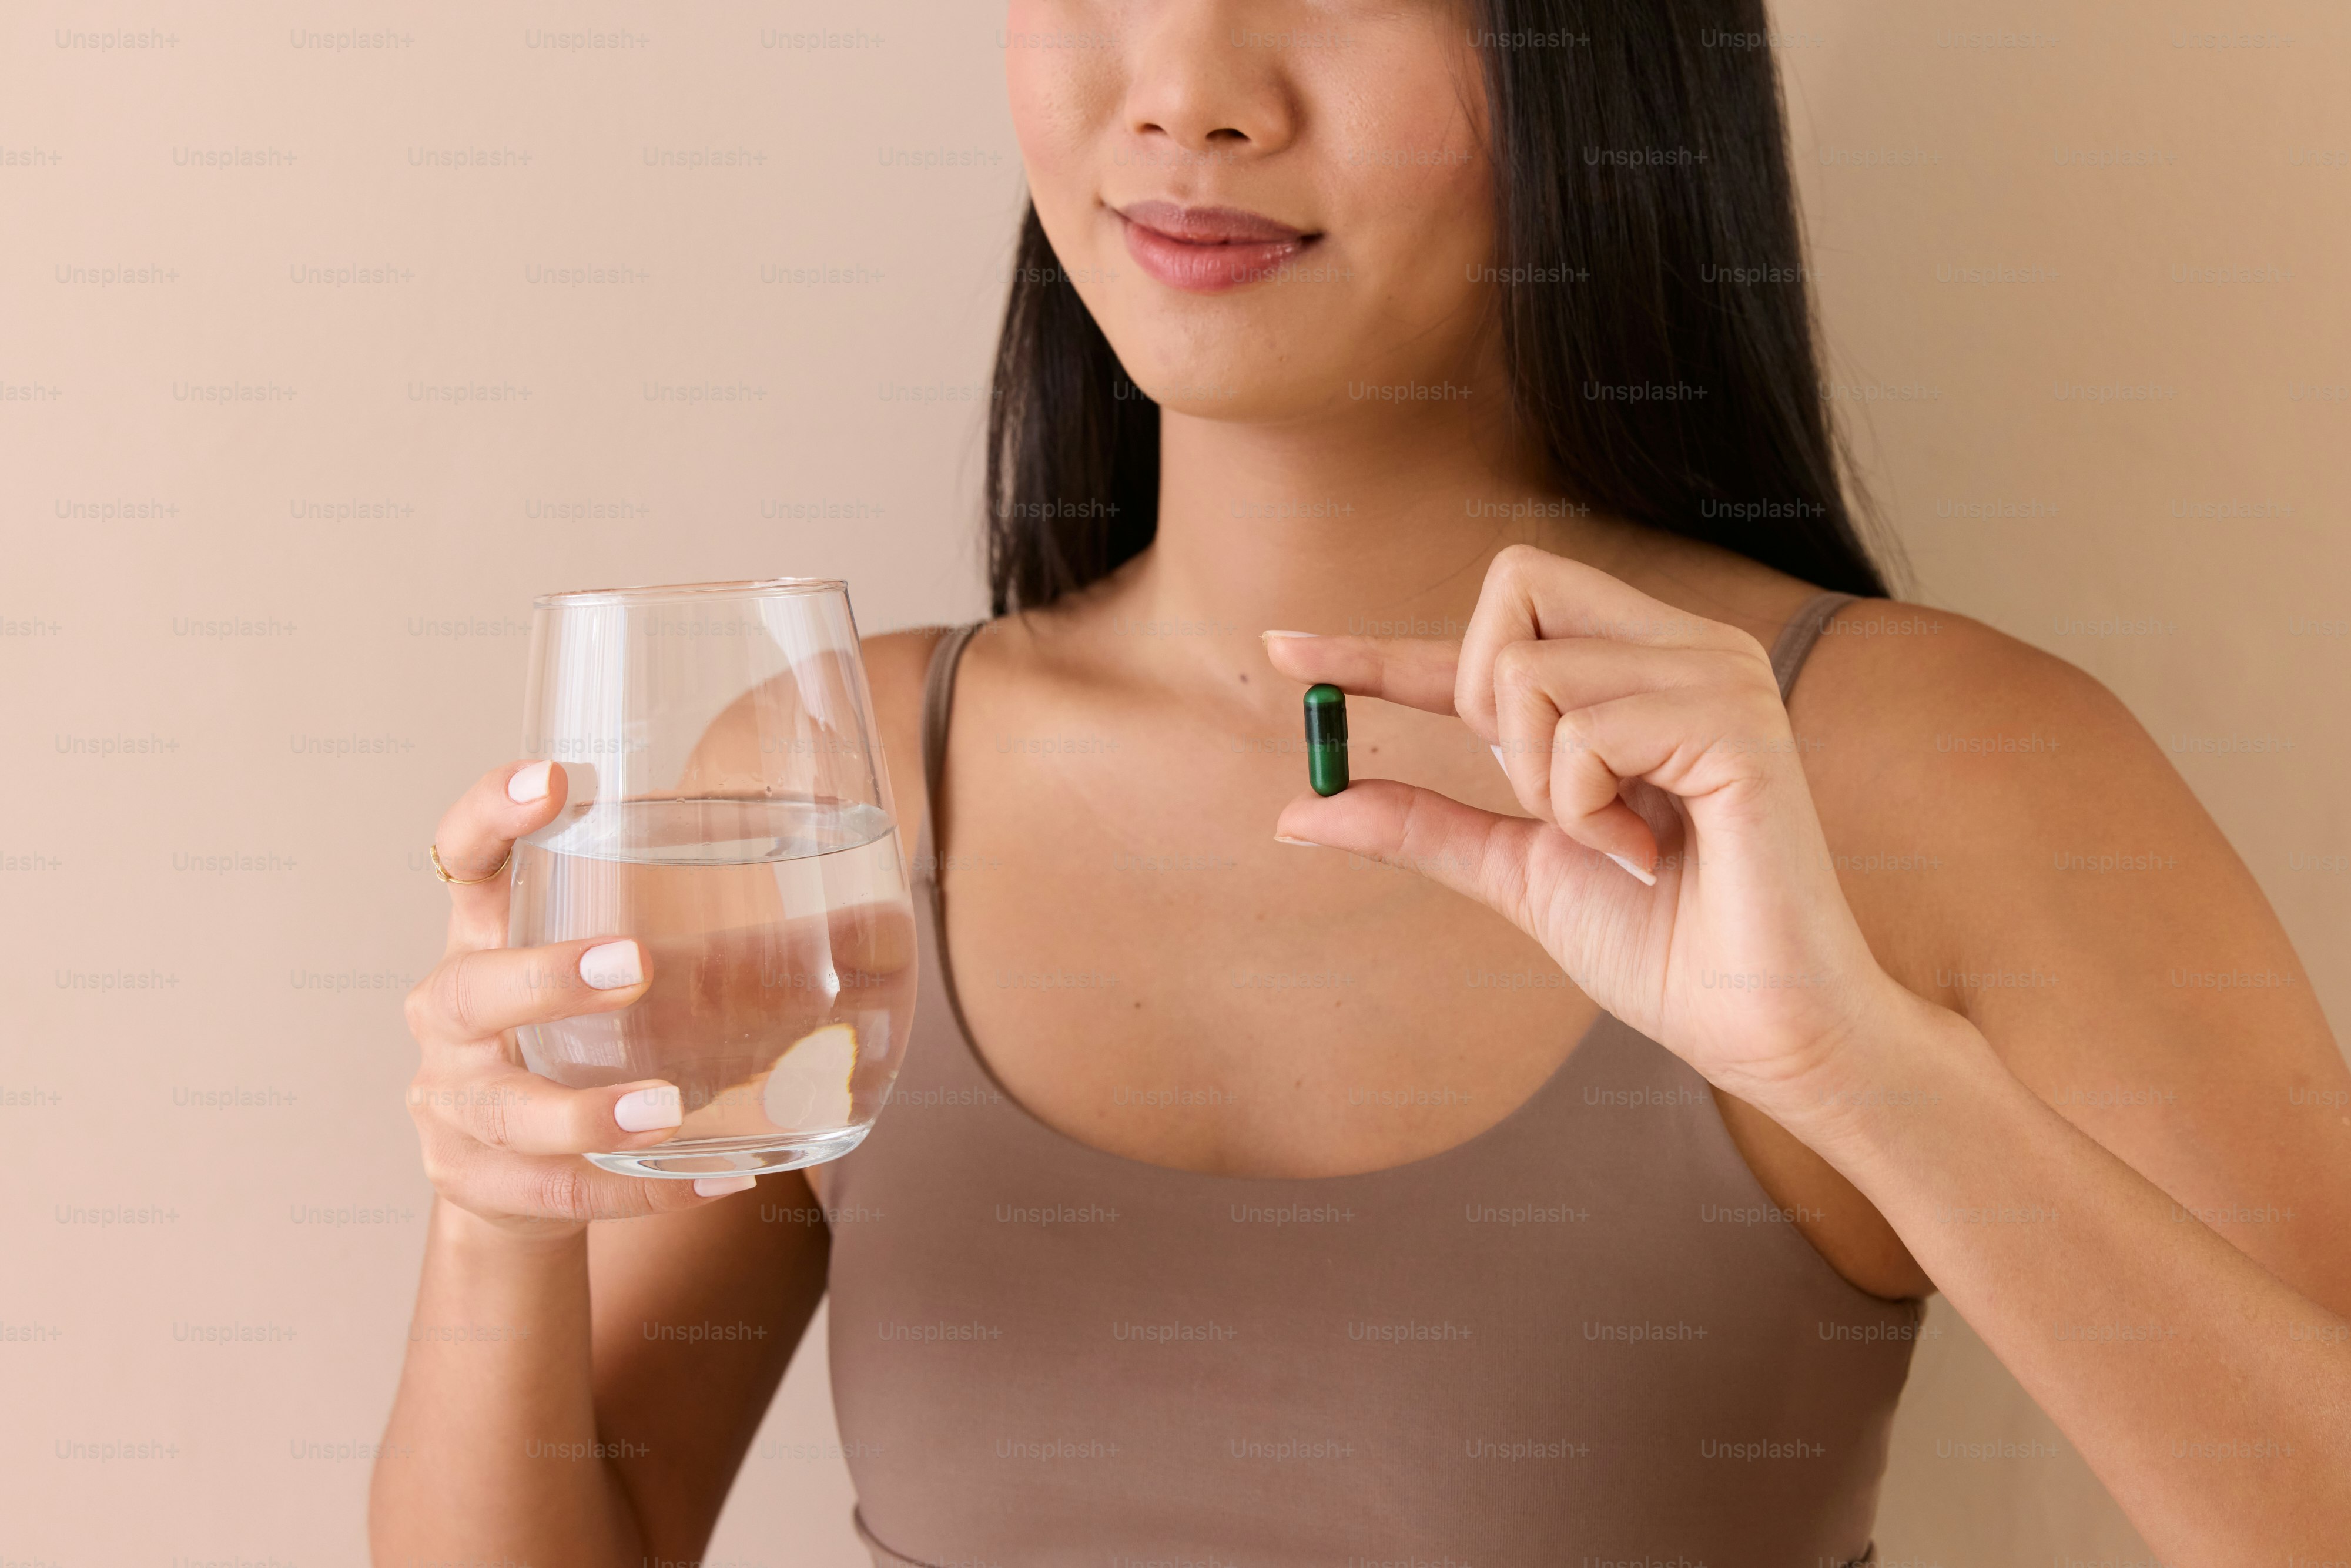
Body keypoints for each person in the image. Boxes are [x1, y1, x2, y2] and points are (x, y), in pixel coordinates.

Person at [371, 4, 2351, 1564]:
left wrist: (1863, 1074)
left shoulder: (1929, 773)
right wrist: (495, 1222)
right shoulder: (842, 782)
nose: (1188, 89)